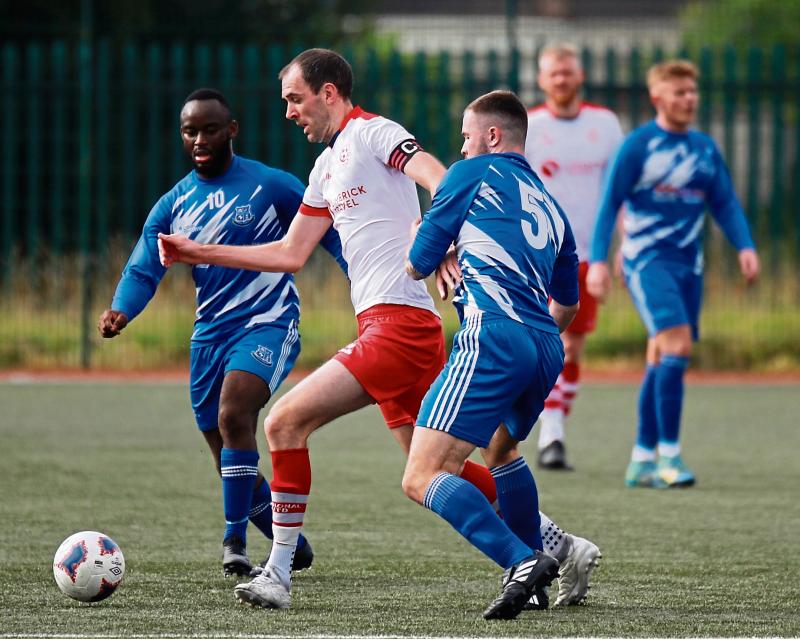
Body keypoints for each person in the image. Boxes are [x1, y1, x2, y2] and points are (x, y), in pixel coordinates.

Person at [158, 49, 598, 611]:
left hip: (399, 325)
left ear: (329, 93)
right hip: (395, 325)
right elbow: (292, 253)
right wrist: (196, 250)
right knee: (439, 465)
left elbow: (438, 174)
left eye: (295, 99)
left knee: (286, 422)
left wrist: (446, 239)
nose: (290, 112)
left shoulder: (372, 132)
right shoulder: (324, 168)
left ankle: (278, 573)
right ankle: (557, 544)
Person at [98, 88, 346, 577]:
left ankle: (234, 543)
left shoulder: (271, 185)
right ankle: (286, 540)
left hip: (269, 324)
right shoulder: (174, 202)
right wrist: (120, 309)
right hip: (209, 336)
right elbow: (144, 266)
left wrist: (365, 280)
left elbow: (332, 232)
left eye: (210, 128)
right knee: (225, 450)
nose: (199, 139)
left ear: (230, 131)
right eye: (190, 131)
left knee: (236, 414)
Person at [403, 90, 580, 620]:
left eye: (465, 135)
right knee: (500, 451)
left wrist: (429, 238)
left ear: (492, 136)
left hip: (492, 336)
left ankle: (519, 560)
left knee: (421, 474)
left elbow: (416, 264)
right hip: (545, 344)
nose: (460, 147)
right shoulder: (552, 205)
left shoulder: (467, 175)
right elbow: (568, 303)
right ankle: (538, 580)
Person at [587, 60, 760, 488]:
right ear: (657, 97)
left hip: (689, 265)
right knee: (677, 345)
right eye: (679, 92)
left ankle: (641, 459)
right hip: (647, 261)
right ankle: (670, 456)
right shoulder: (639, 145)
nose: (689, 99)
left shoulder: (703, 147)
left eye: (692, 92)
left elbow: (724, 203)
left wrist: (746, 247)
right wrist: (598, 262)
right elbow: (609, 204)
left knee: (661, 355)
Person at [524, 43, 624, 470]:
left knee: (572, 348)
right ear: (542, 79)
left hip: (585, 254)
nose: (561, 79)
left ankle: (554, 428)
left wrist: (621, 246)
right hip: (535, 256)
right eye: (553, 73)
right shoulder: (528, 124)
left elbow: (620, 191)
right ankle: (549, 433)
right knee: (540, 343)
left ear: (579, 76)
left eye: (567, 72)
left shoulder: (605, 124)